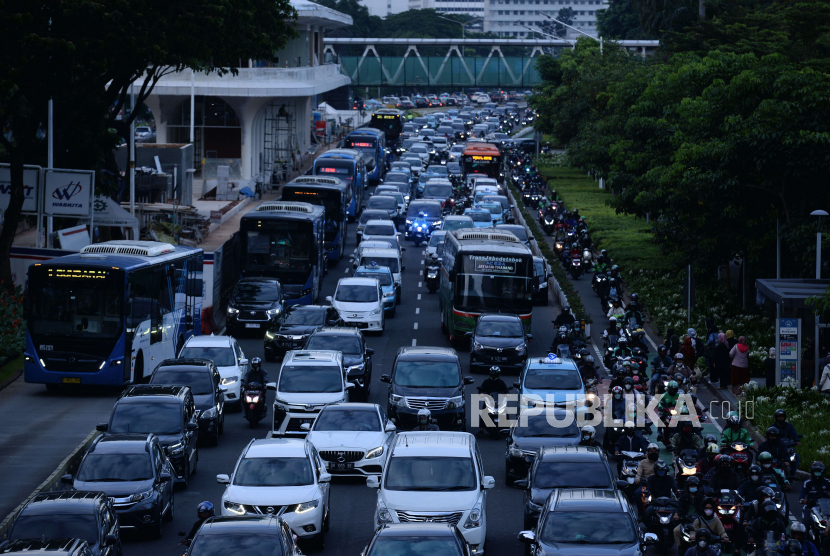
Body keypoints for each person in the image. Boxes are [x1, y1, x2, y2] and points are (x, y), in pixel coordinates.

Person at [772, 409, 801, 474]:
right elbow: (769, 435)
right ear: (776, 417)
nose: (780, 418)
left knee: (796, 457)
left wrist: (797, 441)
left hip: (788, 448)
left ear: (784, 417)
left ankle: (792, 473)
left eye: (782, 416)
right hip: (776, 447)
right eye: (779, 417)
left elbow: (794, 434)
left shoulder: (789, 426)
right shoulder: (772, 427)